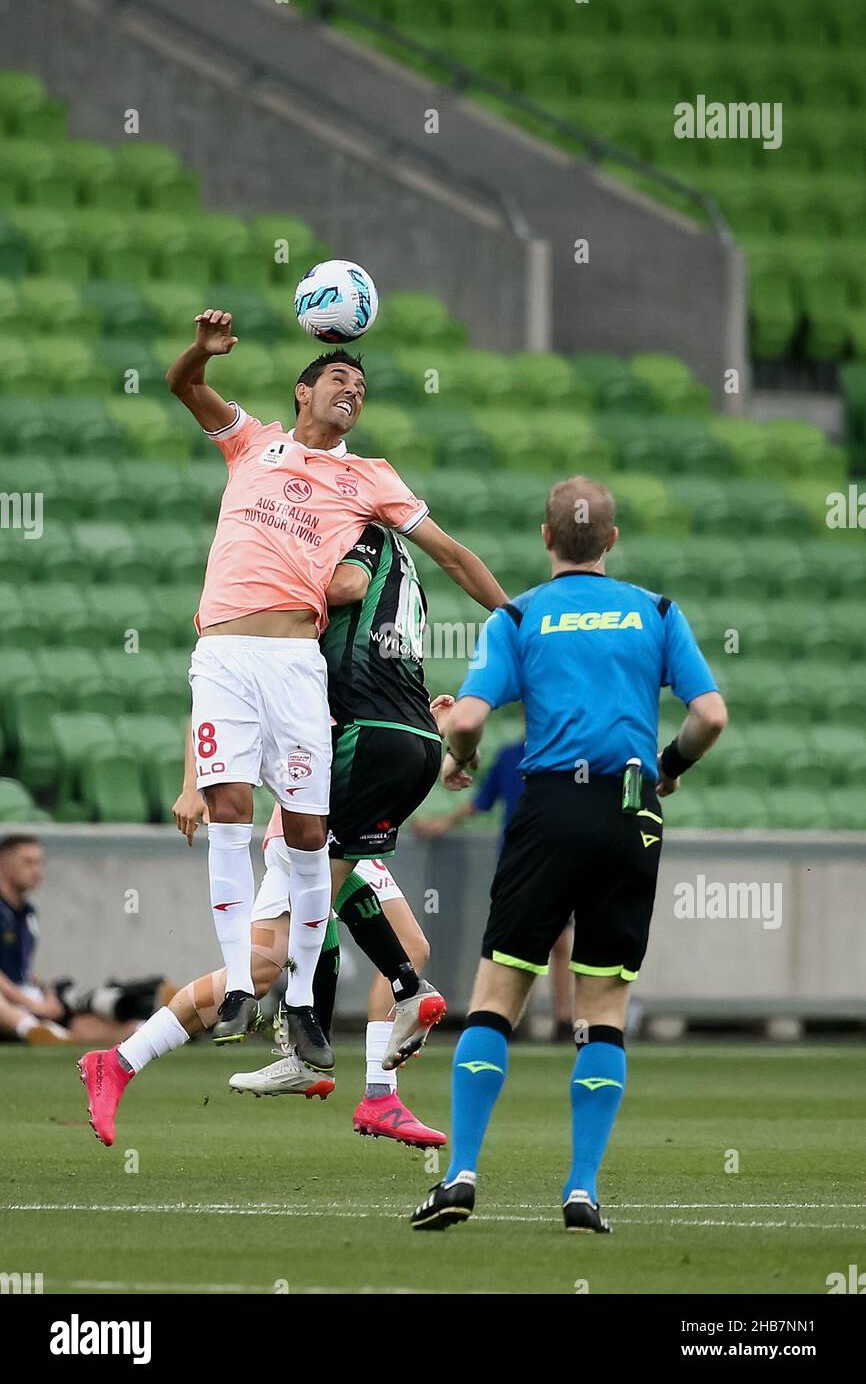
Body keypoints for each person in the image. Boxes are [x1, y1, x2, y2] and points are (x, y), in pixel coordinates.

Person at [164, 313, 506, 1057]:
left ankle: (302, 1005)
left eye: (362, 386)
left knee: (309, 834)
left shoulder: (369, 476)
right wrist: (203, 350)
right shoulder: (250, 441)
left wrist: (514, 618)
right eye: (339, 380)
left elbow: (448, 554)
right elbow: (183, 384)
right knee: (229, 812)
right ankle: (237, 987)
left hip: (294, 662)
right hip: (221, 652)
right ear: (303, 391)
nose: (352, 391)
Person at [410, 476, 727, 1233]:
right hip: (628, 807)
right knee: (604, 1008)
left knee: (496, 996)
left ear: (546, 538)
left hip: (548, 807)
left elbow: (472, 717)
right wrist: (669, 767)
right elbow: (710, 716)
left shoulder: (518, 615)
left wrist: (461, 752)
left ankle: (459, 1175)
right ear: (611, 542)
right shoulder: (656, 611)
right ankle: (582, 1189)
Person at [78, 528, 455, 1149]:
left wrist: (418, 719)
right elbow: (222, 690)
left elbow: (363, 670)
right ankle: (122, 1061)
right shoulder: (297, 594)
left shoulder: (359, 590)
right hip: (311, 797)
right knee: (261, 964)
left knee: (405, 947)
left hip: (344, 775)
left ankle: (368, 1089)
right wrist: (193, 779)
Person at [414, 727, 576, 1040]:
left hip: (556, 857)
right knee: (513, 941)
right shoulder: (510, 756)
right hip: (517, 860)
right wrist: (442, 823)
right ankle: (505, 1016)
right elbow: (482, 801)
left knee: (559, 942)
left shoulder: (564, 754)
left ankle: (563, 1020)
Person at [0, 835, 169, 1046]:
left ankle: (151, 1027)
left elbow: (19, 970)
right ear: (4, 865)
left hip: (24, 996)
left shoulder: (27, 912)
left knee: (84, 1020)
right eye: (28, 863)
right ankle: (30, 1028)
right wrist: (33, 1005)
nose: (37, 871)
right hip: (10, 1002)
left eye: (39, 862)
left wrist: (45, 994)